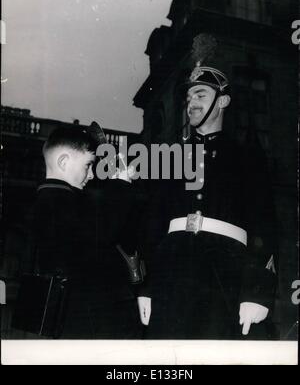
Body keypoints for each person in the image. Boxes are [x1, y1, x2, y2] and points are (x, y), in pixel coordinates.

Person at [138, 62, 278, 339]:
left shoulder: (246, 156)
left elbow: (264, 225)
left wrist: (256, 292)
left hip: (225, 275)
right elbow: (153, 226)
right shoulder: (172, 157)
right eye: (189, 98)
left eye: (201, 95)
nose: (192, 103)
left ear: (222, 100)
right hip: (172, 272)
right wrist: (147, 287)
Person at [24, 125, 142, 339]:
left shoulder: (53, 198)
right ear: (63, 162)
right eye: (88, 165)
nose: (90, 174)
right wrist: (121, 185)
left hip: (82, 317)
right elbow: (103, 232)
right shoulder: (57, 200)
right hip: (89, 320)